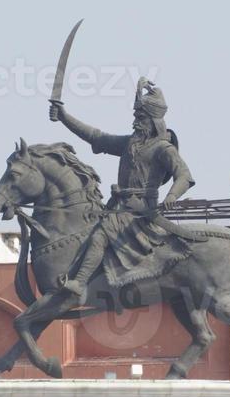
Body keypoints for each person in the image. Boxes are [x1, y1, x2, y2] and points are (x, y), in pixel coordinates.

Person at [48, 78, 195, 299]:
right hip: (119, 207)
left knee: (100, 236)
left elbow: (184, 175)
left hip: (140, 210)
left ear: (154, 121)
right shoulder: (129, 144)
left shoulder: (163, 148)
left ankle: (79, 283)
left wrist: (173, 195)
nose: (136, 121)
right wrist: (64, 117)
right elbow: (97, 137)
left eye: (141, 117)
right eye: (136, 116)